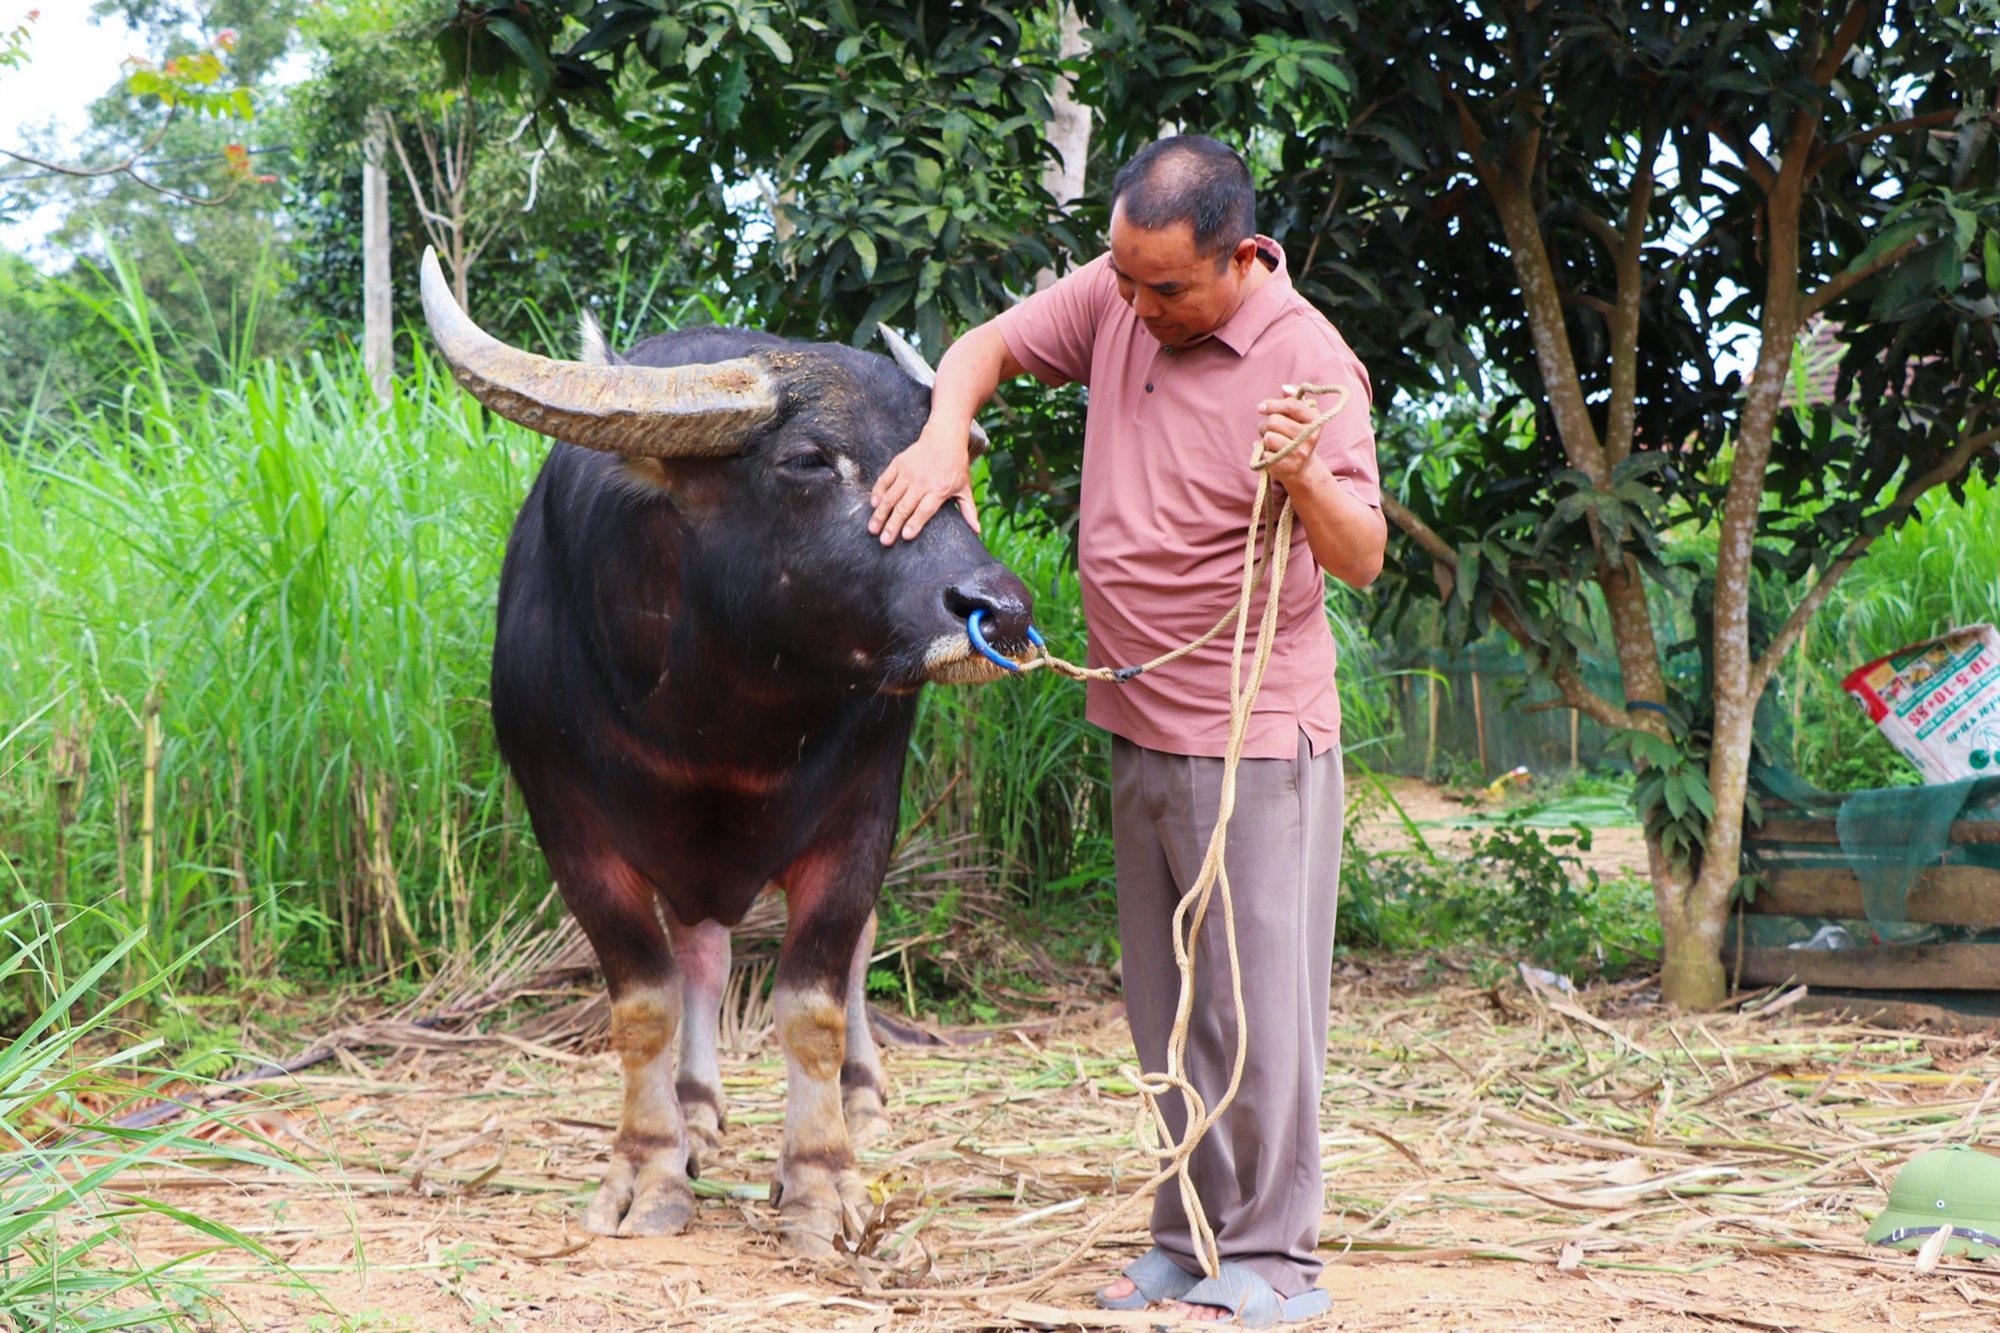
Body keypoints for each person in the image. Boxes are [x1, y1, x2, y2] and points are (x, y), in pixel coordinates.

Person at [868, 135, 1385, 1327]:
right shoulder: (1119, 295)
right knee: (1164, 1004)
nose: (1136, 305)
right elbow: (983, 347)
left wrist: (1303, 476)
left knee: (1253, 1010)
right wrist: (947, 429)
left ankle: (1274, 1261)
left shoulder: (1307, 359)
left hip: (1252, 736)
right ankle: (1186, 1234)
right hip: (1139, 718)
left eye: (1166, 287)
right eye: (1123, 278)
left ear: (1244, 255)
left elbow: (1357, 555)